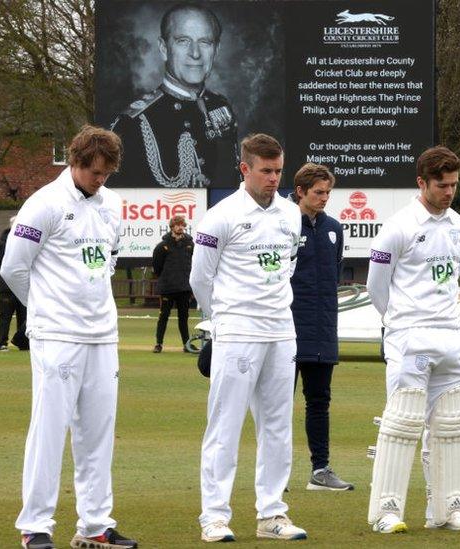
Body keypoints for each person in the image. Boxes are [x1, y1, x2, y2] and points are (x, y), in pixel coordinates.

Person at [2, 126, 138, 549]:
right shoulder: (43, 204)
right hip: (57, 335)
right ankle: (36, 526)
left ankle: (95, 524)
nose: (101, 180)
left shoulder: (112, 203)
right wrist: (44, 310)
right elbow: (13, 268)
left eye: (107, 174)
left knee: (98, 432)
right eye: (96, 172)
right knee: (49, 429)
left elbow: (110, 258)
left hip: (102, 334)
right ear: (76, 162)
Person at [190, 134, 307, 543]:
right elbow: (200, 279)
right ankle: (214, 517)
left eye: (278, 171)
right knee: (225, 424)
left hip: (281, 330)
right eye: (266, 171)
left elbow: (287, 268)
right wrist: (221, 320)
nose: (274, 178)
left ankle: (271, 514)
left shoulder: (291, 214)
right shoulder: (220, 216)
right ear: (245, 169)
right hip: (238, 331)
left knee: (278, 425)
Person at [365, 146, 460, 534]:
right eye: (441, 185)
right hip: (409, 336)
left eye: (453, 185)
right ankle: (386, 511)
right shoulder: (398, 227)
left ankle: (447, 510)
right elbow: (376, 286)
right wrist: (398, 324)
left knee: (449, 425)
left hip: (450, 333)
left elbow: (452, 278)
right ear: (422, 182)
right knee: (402, 423)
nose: (448, 192)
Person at [108, 2, 239, 189]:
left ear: (216, 50)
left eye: (205, 42)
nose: (195, 54)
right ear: (163, 48)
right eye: (183, 41)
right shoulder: (134, 122)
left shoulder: (220, 106)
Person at [288, 163, 353, 491]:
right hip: (286, 328)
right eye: (318, 192)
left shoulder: (334, 229)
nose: (324, 197)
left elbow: (334, 272)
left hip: (323, 328)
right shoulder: (283, 224)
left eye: (328, 192)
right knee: (278, 404)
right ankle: (277, 473)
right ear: (300, 191)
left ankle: (321, 470)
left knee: (319, 401)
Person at [152, 215, 195, 353]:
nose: (180, 227)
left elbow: (195, 264)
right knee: (163, 316)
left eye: (182, 225)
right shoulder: (162, 246)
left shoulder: (190, 244)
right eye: (177, 225)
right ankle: (158, 344)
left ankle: (186, 345)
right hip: (167, 287)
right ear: (172, 227)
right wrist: (166, 278)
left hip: (184, 287)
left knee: (184, 318)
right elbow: (157, 267)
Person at [0, 218, 29, 351]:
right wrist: (3, 280)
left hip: (23, 286)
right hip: (7, 288)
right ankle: (1, 342)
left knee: (24, 316)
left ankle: (23, 342)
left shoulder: (26, 244)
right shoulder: (1, 245)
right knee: (5, 317)